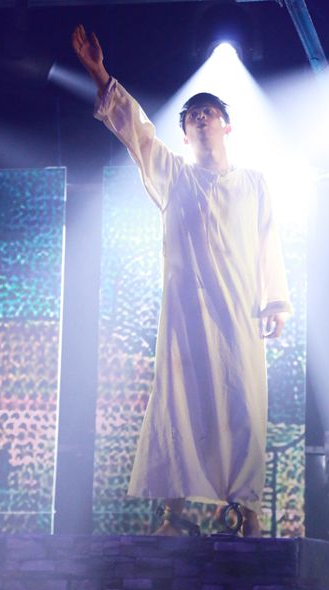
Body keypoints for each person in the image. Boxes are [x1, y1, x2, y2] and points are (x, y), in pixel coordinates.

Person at [72, 24, 292, 537]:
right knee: (178, 404)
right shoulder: (174, 176)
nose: (200, 119)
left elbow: (268, 241)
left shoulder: (254, 183)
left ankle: (246, 512)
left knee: (243, 408)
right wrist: (100, 75)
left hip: (238, 316)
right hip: (186, 321)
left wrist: (276, 301)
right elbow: (136, 132)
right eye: (192, 116)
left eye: (208, 112)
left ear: (227, 127)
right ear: (186, 133)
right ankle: (173, 515)